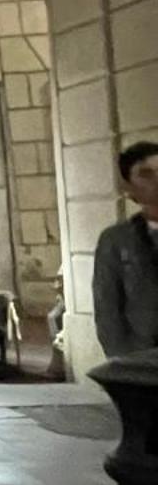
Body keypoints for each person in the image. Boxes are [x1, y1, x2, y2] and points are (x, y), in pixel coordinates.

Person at [95, 141, 158, 356]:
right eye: (146, 174)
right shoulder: (116, 240)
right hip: (143, 358)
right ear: (129, 188)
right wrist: (123, 361)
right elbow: (107, 308)